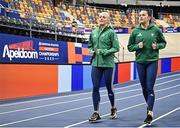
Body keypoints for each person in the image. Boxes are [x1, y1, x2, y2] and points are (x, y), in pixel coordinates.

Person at [127, 9, 167, 125]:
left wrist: (157, 46)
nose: (140, 17)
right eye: (139, 15)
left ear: (149, 17)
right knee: (144, 87)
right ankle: (149, 105)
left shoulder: (156, 30)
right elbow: (129, 47)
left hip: (152, 61)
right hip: (140, 62)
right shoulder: (135, 31)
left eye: (143, 15)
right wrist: (137, 46)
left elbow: (163, 43)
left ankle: (150, 112)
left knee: (150, 87)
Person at [88, 12, 120, 122]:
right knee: (95, 87)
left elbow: (116, 48)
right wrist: (90, 50)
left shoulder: (111, 32)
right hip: (96, 64)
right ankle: (96, 112)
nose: (101, 18)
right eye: (100, 16)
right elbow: (90, 45)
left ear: (108, 20)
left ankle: (113, 108)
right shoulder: (93, 32)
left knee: (109, 87)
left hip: (108, 64)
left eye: (104, 17)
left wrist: (104, 51)